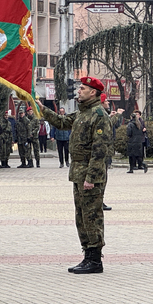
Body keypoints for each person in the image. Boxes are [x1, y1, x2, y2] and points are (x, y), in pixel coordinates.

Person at [39, 77, 114, 274]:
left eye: (83, 88)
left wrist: (91, 177)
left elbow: (100, 150)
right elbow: (62, 122)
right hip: (78, 173)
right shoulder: (83, 113)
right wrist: (41, 108)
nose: (79, 91)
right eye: (80, 88)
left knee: (92, 215)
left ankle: (95, 259)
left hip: (90, 175)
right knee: (81, 215)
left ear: (93, 92)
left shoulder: (99, 115)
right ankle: (87, 255)